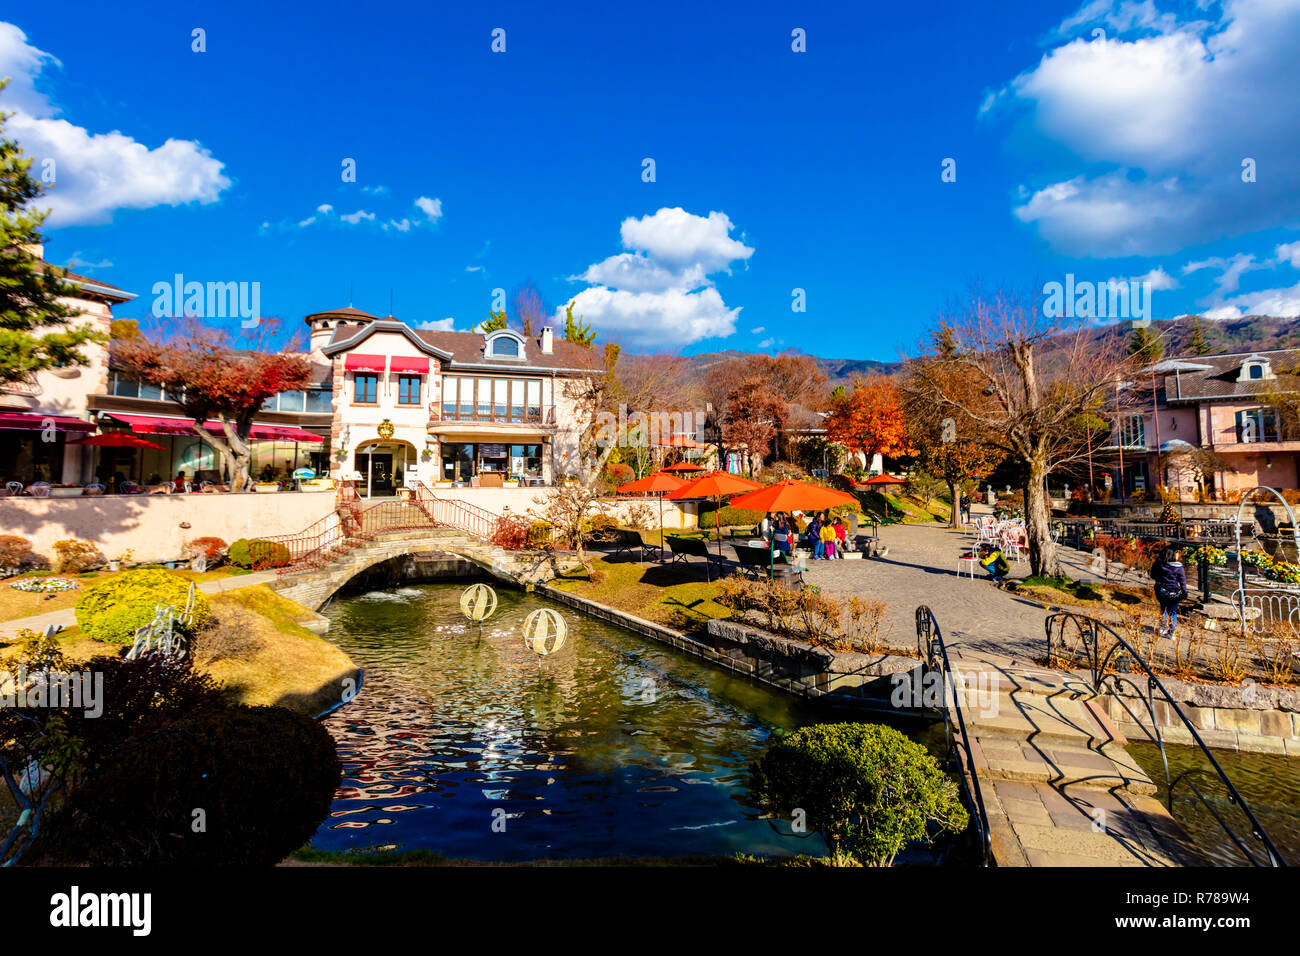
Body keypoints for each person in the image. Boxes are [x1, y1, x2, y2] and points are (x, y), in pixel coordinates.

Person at [1150, 545, 1188, 638]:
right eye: (1177, 553)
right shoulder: (1179, 567)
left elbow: (1153, 575)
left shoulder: (1159, 564)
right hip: (1173, 593)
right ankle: (1171, 633)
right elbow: (1182, 583)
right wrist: (1185, 595)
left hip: (1161, 591)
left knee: (1163, 609)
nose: (1178, 555)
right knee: (1173, 612)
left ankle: (1162, 629)